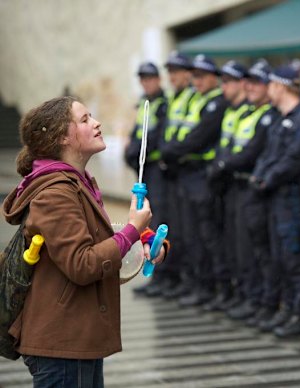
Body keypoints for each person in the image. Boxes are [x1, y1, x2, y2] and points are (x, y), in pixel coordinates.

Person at [2, 96, 165, 387]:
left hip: (77, 334)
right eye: (85, 119)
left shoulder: (79, 182)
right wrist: (131, 230)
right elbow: (83, 264)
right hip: (62, 341)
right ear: (62, 137)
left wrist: (143, 242)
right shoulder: (56, 193)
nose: (97, 122)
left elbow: (99, 247)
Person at [250, 64, 300, 338]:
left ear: (280, 86)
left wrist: (267, 178)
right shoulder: (279, 119)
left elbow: (294, 158)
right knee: (281, 257)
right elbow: (268, 155)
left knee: (296, 256)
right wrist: (260, 176)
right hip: (276, 199)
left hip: (293, 198)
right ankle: (290, 309)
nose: (268, 90)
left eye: (271, 84)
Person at [207, 59, 279, 323]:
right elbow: (227, 146)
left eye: (257, 82)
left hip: (252, 187)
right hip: (233, 185)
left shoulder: (268, 116)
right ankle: (249, 296)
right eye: (248, 82)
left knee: (256, 248)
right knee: (239, 246)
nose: (250, 87)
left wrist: (224, 164)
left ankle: (264, 301)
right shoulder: (244, 113)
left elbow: (252, 152)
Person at [162, 54, 228, 308]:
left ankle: (217, 288)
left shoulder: (216, 103)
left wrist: (170, 152)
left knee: (207, 233)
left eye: (202, 76)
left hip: (201, 174)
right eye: (195, 76)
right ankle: (201, 284)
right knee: (190, 232)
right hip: (186, 172)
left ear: (214, 78)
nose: (197, 80)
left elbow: (198, 137)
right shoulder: (196, 100)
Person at [144, 52, 195, 299]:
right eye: (170, 72)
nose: (172, 77)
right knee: (163, 223)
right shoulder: (173, 99)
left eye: (177, 71)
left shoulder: (184, 98)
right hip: (167, 169)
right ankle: (165, 276)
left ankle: (174, 277)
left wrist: (165, 153)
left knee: (176, 226)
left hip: (178, 170)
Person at [205, 59, 250, 314]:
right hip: (227, 184)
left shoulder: (247, 110)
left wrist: (221, 166)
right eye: (224, 80)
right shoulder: (230, 110)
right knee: (231, 242)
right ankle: (237, 293)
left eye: (231, 81)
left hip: (241, 183)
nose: (225, 86)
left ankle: (249, 297)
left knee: (245, 245)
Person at [125, 62, 168, 296]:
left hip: (156, 168)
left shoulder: (162, 104)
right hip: (144, 169)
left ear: (158, 79)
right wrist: (130, 151)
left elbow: (155, 136)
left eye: (150, 78)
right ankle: (154, 273)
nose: (146, 82)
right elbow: (137, 132)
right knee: (143, 217)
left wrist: (135, 151)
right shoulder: (143, 102)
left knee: (155, 217)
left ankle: (160, 272)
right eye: (142, 79)